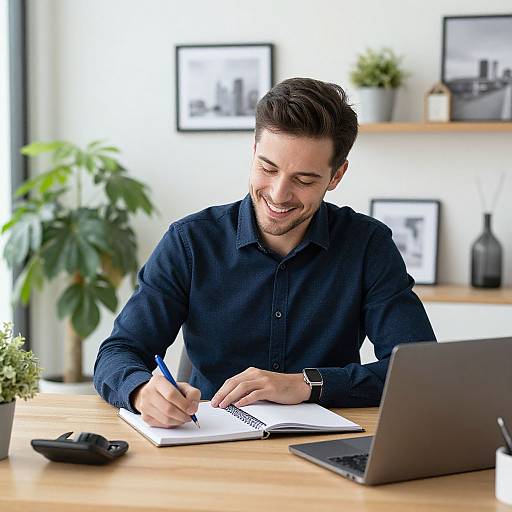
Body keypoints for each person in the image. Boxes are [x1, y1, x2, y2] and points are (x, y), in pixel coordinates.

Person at [94, 77, 436, 428]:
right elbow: (118, 352)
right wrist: (140, 391)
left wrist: (307, 384)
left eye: (304, 180)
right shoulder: (190, 242)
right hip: (206, 443)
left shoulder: (368, 246)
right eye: (268, 168)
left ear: (337, 175)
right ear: (253, 151)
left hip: (327, 450)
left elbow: (418, 368)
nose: (278, 194)